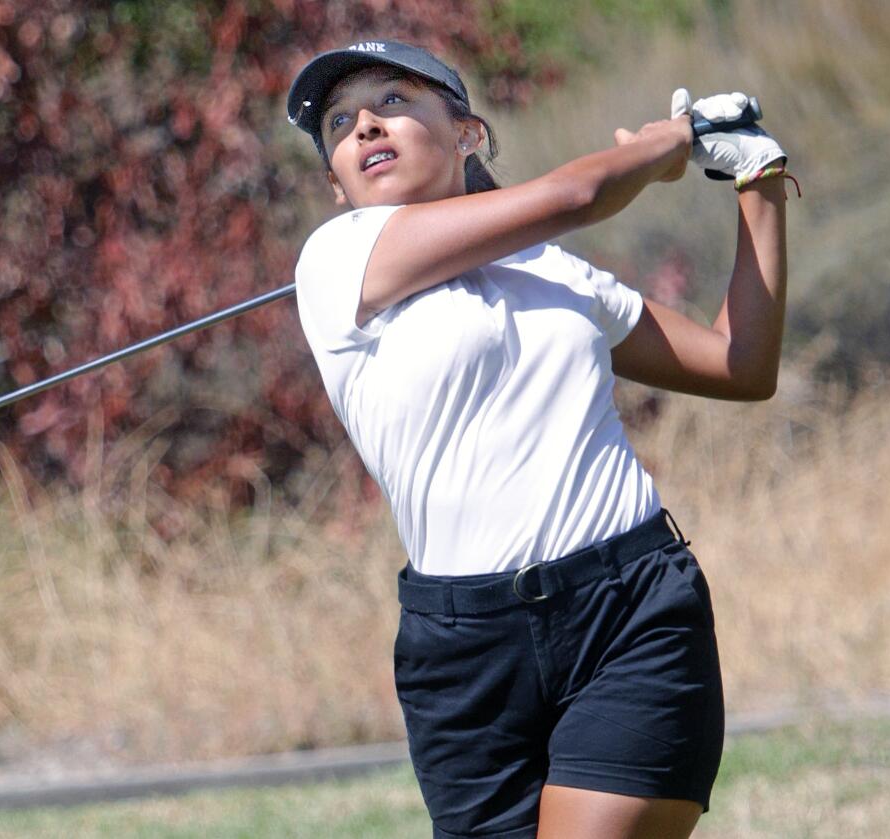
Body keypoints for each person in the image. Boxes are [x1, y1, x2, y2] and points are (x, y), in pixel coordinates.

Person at [286, 40, 790, 839]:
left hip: (629, 611)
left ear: (466, 135)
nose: (364, 126)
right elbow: (578, 191)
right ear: (336, 185)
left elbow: (740, 365)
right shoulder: (336, 260)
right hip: (463, 658)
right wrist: (673, 140)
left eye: (393, 102)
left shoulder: (557, 275)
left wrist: (757, 182)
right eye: (342, 125)